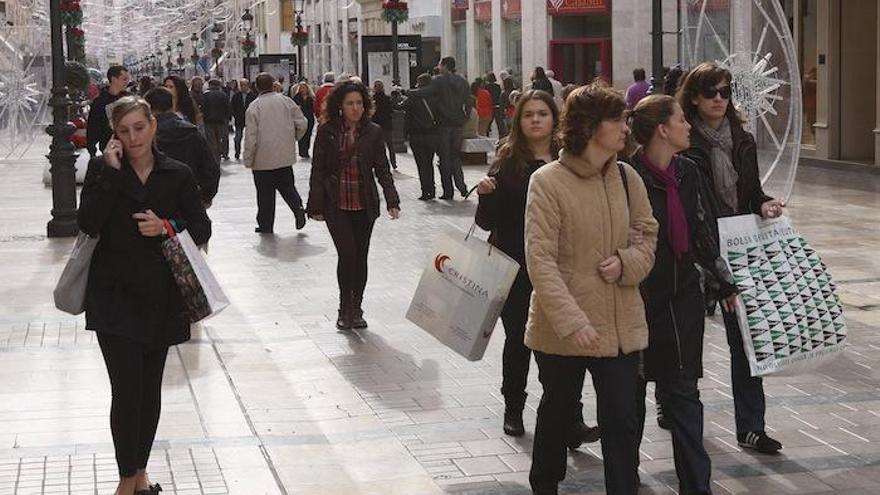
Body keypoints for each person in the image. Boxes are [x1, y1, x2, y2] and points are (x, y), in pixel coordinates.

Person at [525, 82, 658, 495]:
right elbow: (540, 260)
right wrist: (572, 320)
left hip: (619, 326)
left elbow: (648, 238)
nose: (625, 127)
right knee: (559, 412)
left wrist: (625, 263)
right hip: (563, 330)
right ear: (588, 126)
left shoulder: (626, 176)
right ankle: (545, 485)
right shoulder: (547, 181)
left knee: (621, 418)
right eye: (616, 119)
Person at [77, 96, 211, 495]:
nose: (133, 137)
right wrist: (112, 173)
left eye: (139, 127)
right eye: (123, 131)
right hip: (113, 298)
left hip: (161, 299)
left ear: (153, 125)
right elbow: (87, 223)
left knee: (150, 389)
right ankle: (125, 481)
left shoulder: (178, 174)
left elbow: (201, 229)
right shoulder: (105, 170)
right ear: (114, 136)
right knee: (127, 389)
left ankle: (139, 475)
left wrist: (167, 226)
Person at [475, 89, 601, 446]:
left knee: (564, 343)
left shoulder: (572, 160)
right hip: (515, 268)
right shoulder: (507, 161)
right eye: (528, 114)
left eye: (542, 114)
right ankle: (514, 408)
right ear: (519, 120)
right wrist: (487, 195)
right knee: (519, 341)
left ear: (554, 118)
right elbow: (487, 223)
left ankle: (570, 418)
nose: (535, 119)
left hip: (563, 268)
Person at [628, 94, 739, 495]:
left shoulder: (689, 171)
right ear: (662, 129)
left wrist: (721, 279)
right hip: (637, 298)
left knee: (684, 395)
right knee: (631, 400)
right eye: (680, 120)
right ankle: (625, 479)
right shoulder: (627, 176)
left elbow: (700, 228)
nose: (688, 126)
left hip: (682, 298)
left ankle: (697, 487)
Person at [678, 62, 785, 454]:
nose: (720, 99)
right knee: (685, 337)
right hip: (695, 250)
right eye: (711, 93)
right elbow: (690, 206)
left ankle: (751, 426)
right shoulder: (684, 144)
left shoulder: (743, 140)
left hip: (738, 249)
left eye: (725, 92)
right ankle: (671, 403)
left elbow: (751, 193)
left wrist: (765, 204)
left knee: (746, 338)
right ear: (693, 97)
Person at [307, 81, 401, 330]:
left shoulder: (373, 132)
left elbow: (382, 168)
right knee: (347, 253)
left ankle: (356, 307)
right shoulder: (327, 131)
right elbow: (318, 169)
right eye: (350, 103)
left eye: (359, 103)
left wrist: (392, 199)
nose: (355, 108)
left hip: (364, 202)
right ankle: (343, 306)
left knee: (360, 257)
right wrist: (315, 205)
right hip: (336, 203)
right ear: (340, 105)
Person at [243, 73, 309, 233]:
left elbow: (251, 136)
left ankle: (266, 225)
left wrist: (248, 158)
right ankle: (298, 208)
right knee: (288, 187)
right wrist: (293, 138)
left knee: (265, 195)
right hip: (284, 156)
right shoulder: (286, 101)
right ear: (273, 84)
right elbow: (302, 123)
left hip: (262, 159)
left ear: (256, 87)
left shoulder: (254, 106)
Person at [144, 87, 220, 208]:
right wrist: (205, 196)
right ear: (172, 104)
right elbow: (211, 169)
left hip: (157, 202)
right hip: (189, 197)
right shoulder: (192, 132)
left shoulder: (146, 136)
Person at [406, 56, 470, 200]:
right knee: (455, 157)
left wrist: (407, 92)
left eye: (440, 64)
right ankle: (461, 186)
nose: (438, 67)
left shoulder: (439, 80)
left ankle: (448, 191)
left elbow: (425, 92)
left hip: (443, 124)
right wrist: (464, 119)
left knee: (445, 158)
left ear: (445, 66)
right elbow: (469, 102)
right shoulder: (463, 81)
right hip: (458, 124)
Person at [402, 73, 440, 200]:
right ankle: (432, 189)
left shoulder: (413, 97)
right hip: (432, 135)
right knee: (429, 163)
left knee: (421, 164)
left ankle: (425, 191)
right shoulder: (436, 97)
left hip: (416, 135)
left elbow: (399, 106)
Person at [86, 65, 130, 157]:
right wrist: (92, 150)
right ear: (114, 79)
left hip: (129, 147)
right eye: (124, 79)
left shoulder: (130, 99)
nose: (127, 82)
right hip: (109, 148)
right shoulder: (100, 102)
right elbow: (93, 126)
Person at [201, 79, 232, 164]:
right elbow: (228, 108)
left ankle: (215, 158)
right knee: (221, 139)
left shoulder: (205, 95)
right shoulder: (223, 95)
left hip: (208, 121)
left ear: (210, 85)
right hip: (221, 121)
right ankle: (223, 154)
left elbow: (202, 108)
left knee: (212, 141)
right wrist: (228, 119)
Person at [371, 80, 396, 170]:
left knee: (377, 146)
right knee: (390, 145)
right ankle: (394, 163)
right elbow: (391, 110)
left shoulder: (372, 99)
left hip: (376, 125)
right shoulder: (387, 98)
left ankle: (379, 163)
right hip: (387, 124)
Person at [231, 79, 256, 160]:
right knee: (238, 138)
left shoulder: (253, 96)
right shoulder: (236, 95)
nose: (243, 87)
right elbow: (232, 107)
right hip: (239, 119)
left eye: (244, 85)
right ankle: (237, 153)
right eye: (241, 85)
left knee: (250, 138)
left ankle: (251, 153)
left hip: (250, 120)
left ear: (248, 85)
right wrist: (234, 115)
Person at [291, 82, 316, 158]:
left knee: (308, 134)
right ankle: (301, 151)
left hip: (309, 118)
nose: (303, 89)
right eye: (301, 87)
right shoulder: (297, 97)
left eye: (304, 87)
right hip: (300, 118)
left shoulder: (311, 97)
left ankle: (306, 150)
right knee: (301, 134)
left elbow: (313, 108)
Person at [485, 72, 506, 137]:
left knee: (488, 123)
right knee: (499, 123)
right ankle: (501, 136)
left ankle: (487, 135)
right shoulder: (498, 86)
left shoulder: (486, 87)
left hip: (490, 106)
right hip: (497, 106)